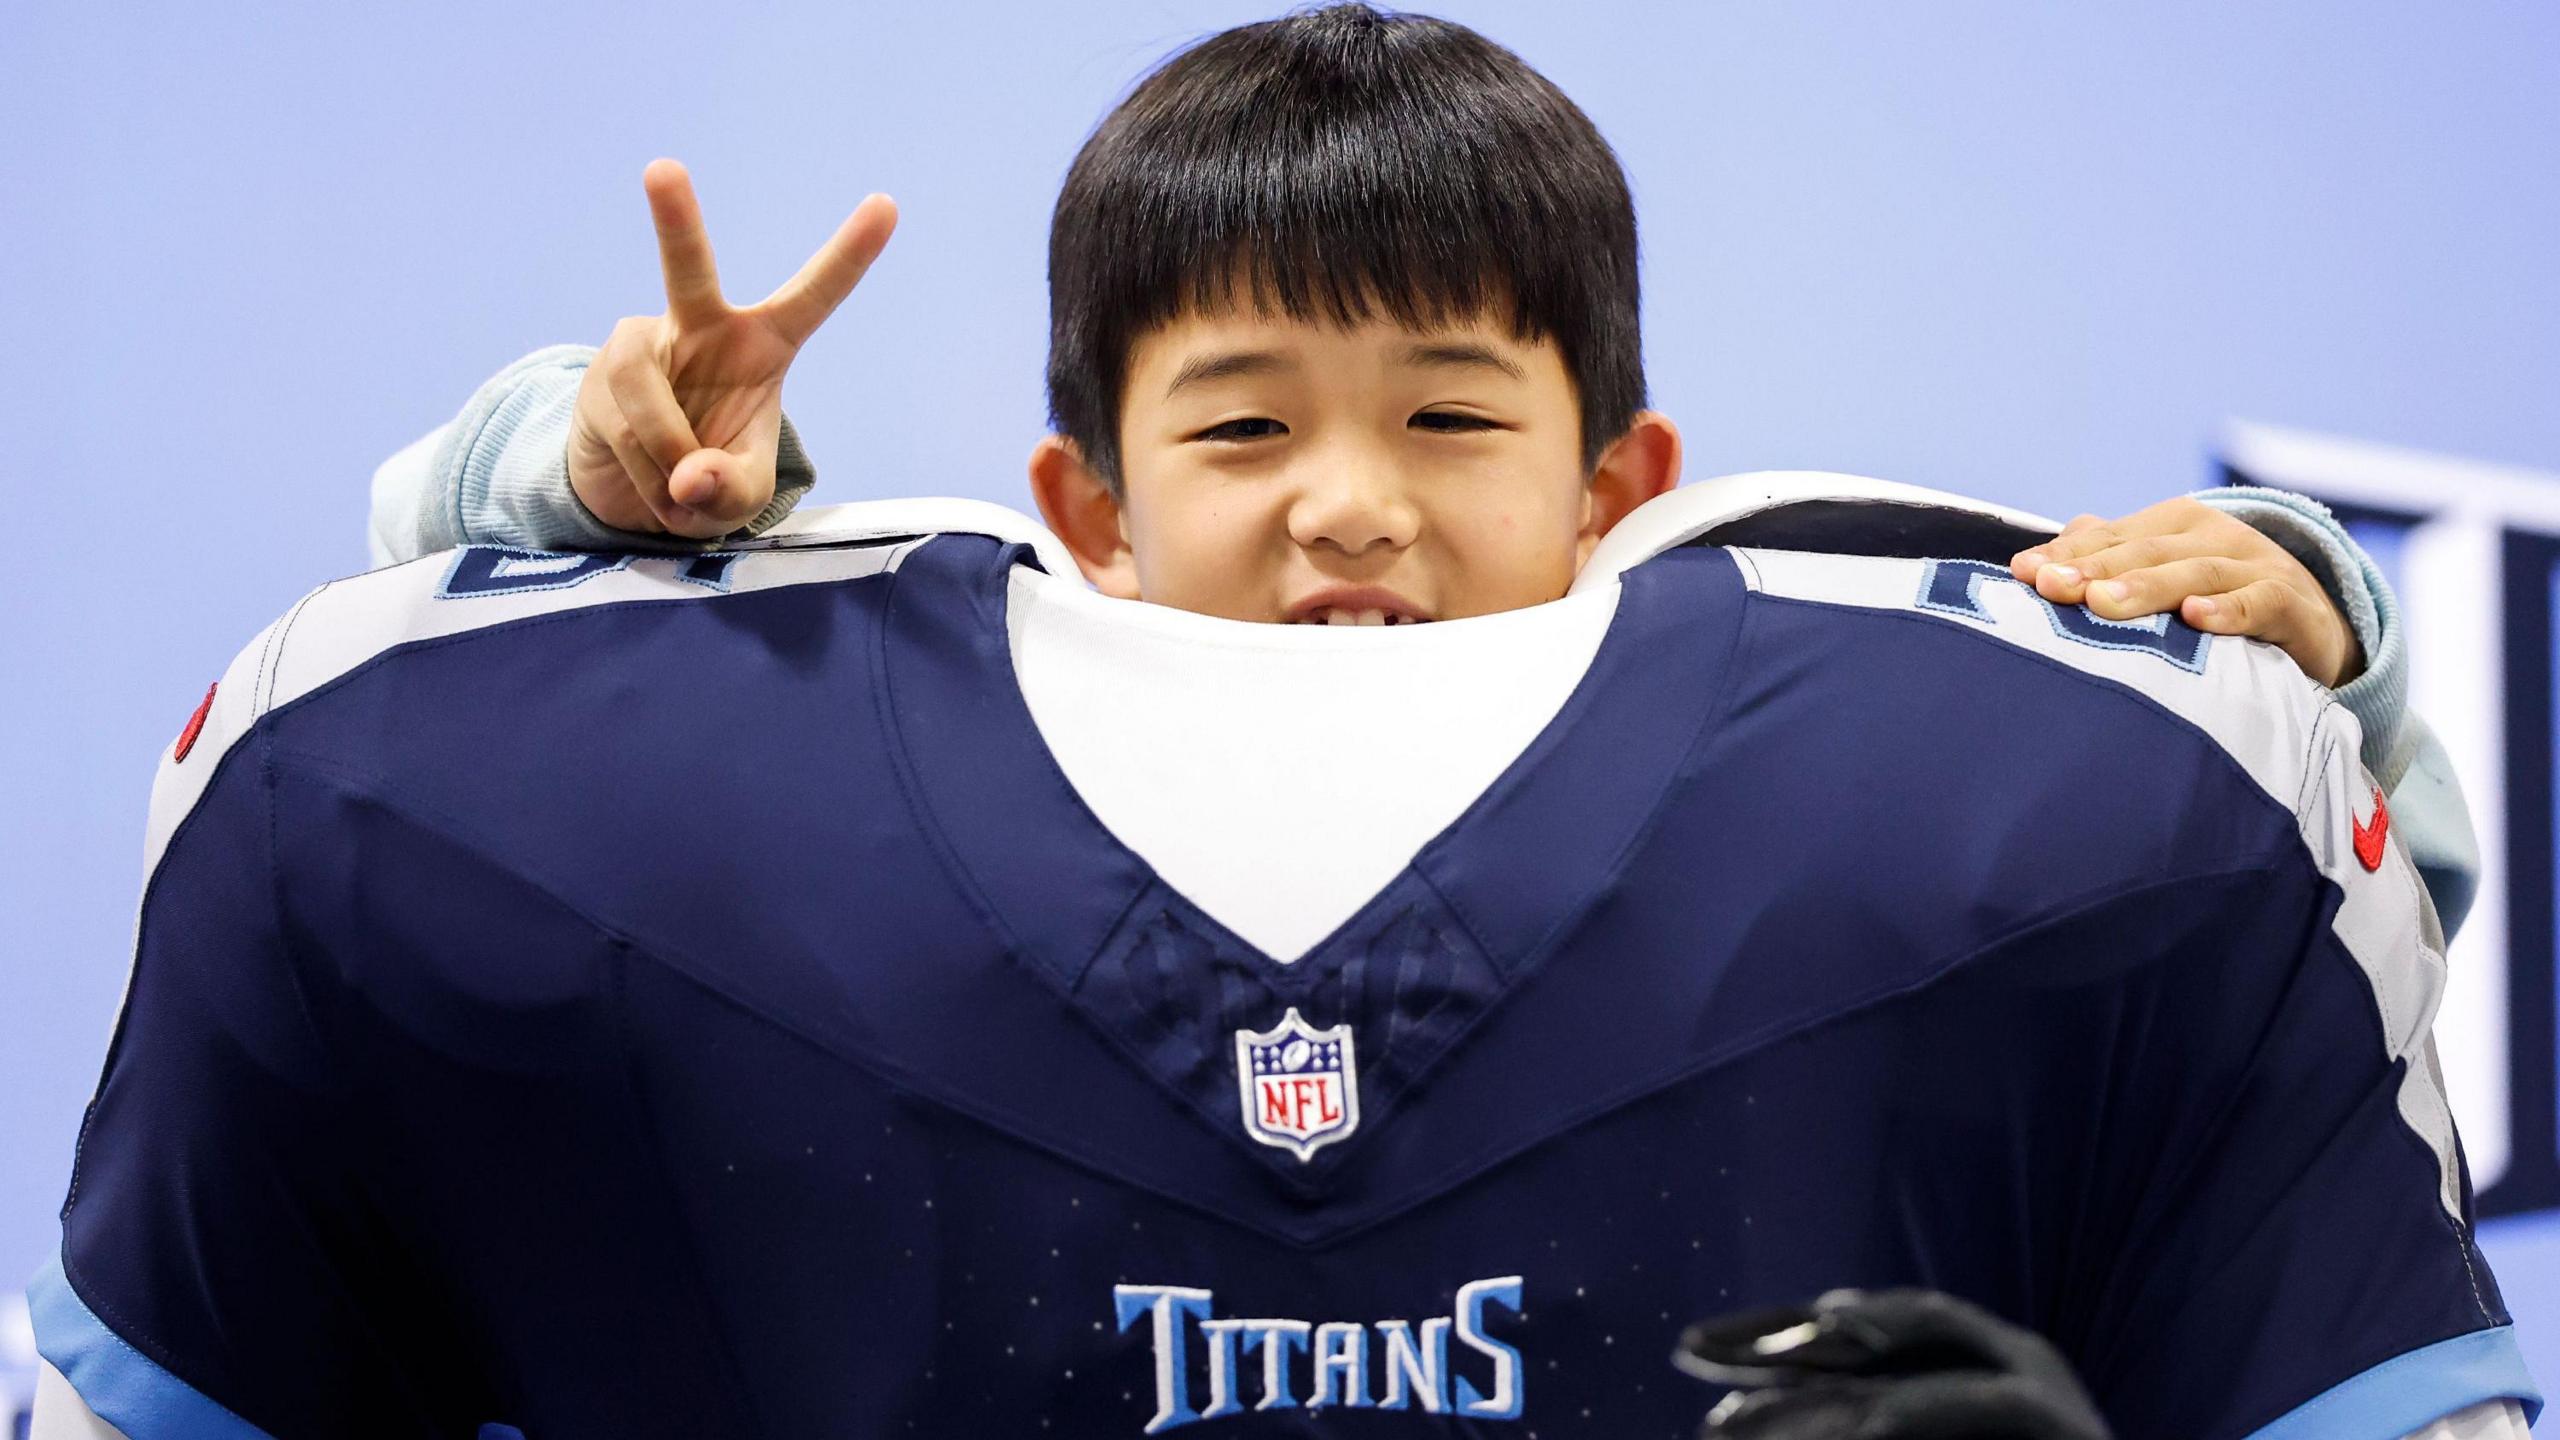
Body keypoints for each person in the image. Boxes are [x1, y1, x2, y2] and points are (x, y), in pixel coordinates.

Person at [31, 7, 2526, 1438]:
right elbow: (458, 608)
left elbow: (2328, 908)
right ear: (1078, 505)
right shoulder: (579, 720)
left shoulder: (1997, 716)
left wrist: (2323, 640)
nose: (1347, 506)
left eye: (1449, 420)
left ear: (1621, 481)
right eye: (1238, 431)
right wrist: (574, 463)